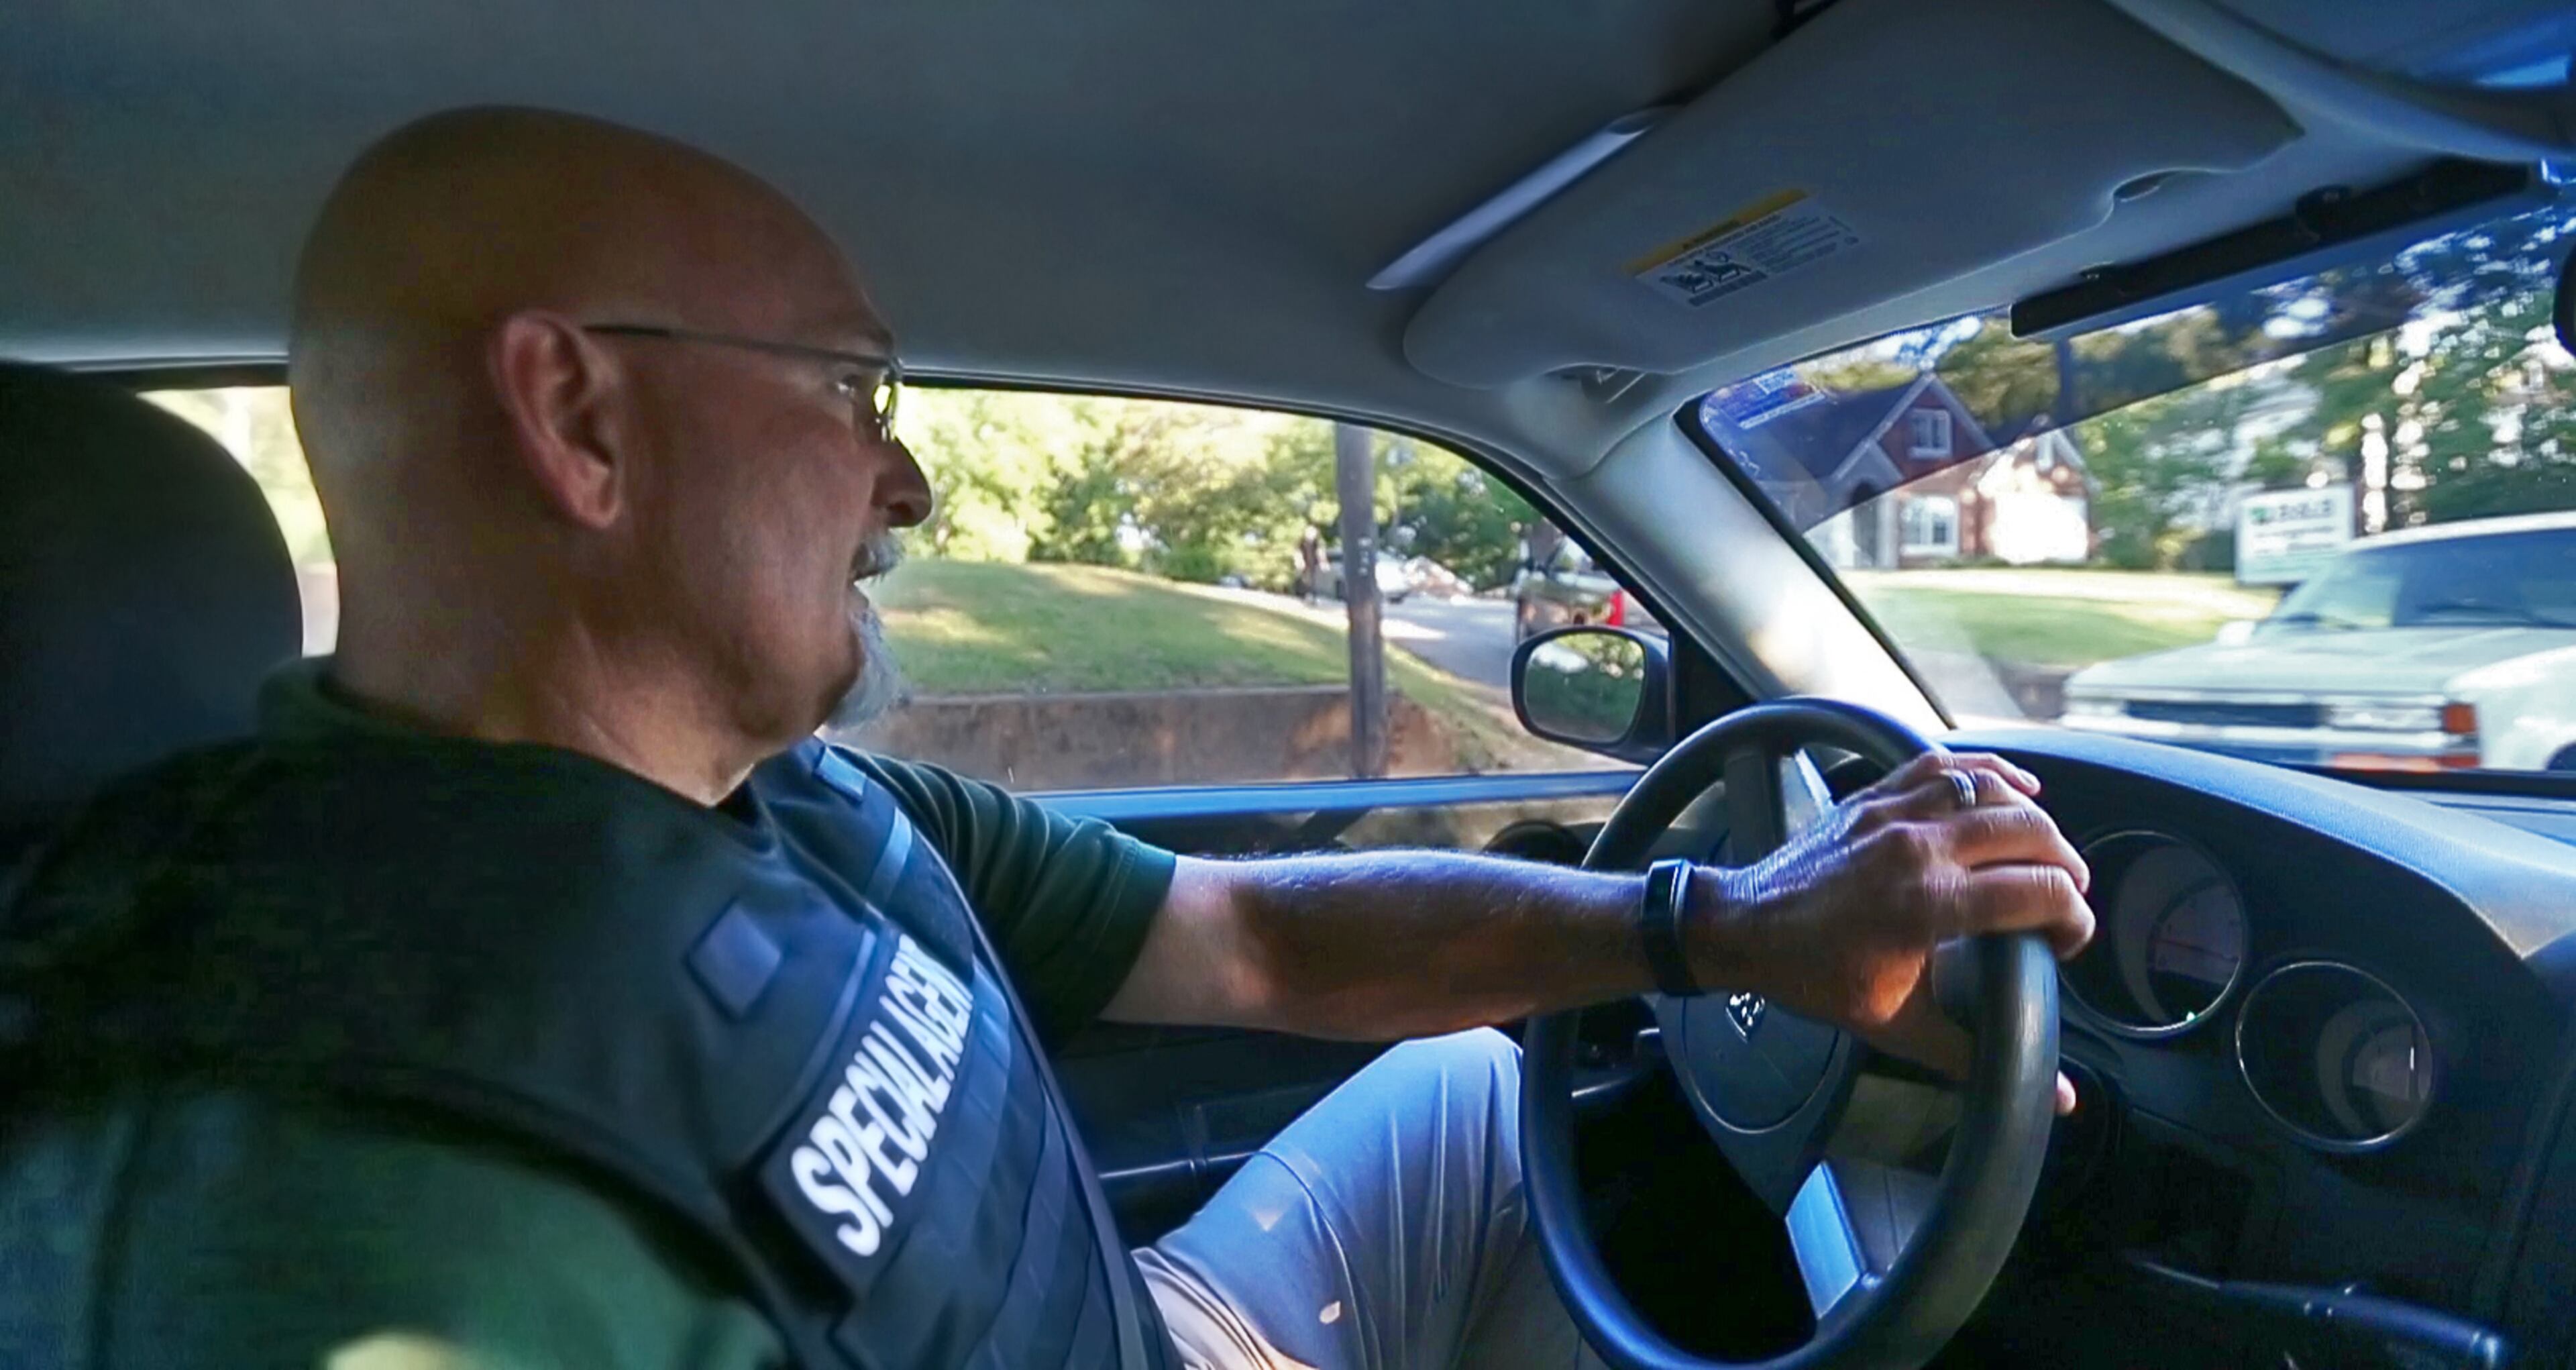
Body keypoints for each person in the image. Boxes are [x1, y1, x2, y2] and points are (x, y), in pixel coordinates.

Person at [0, 108, 2094, 1370]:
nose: (901, 487)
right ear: (578, 420)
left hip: (1133, 1318)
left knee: (1475, 1085)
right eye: (848, 387)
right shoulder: (357, 1180)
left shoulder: (789, 804)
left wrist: (1724, 923)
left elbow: (1259, 944)